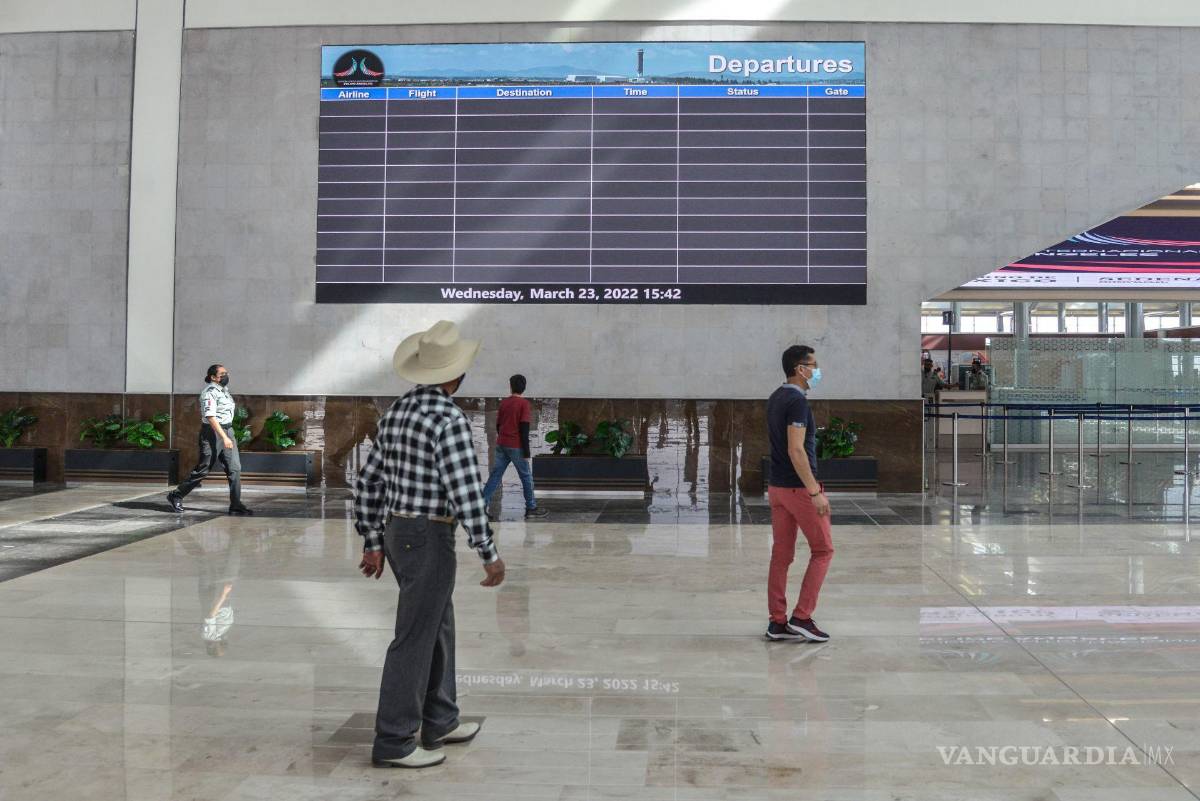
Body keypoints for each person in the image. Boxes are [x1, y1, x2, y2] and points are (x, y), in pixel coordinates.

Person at [354, 320, 506, 770]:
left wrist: (372, 539)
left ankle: (440, 718)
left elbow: (370, 481)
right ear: (455, 376)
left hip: (400, 534)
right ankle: (395, 740)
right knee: (416, 637)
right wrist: (488, 552)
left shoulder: (397, 412)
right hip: (429, 536)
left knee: (437, 625)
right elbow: (463, 490)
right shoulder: (448, 419)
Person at [765, 345, 834, 643]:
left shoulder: (775, 398)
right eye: (813, 365)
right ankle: (802, 617)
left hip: (777, 488)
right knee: (823, 550)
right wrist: (814, 492)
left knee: (781, 555)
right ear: (799, 368)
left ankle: (777, 622)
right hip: (798, 489)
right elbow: (796, 449)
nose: (817, 370)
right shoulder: (797, 403)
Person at [167, 364, 253, 515]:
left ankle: (236, 504)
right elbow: (210, 417)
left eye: (226, 373)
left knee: (235, 468)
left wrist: (228, 434)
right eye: (222, 374)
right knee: (204, 469)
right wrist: (224, 437)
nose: (226, 376)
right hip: (213, 433)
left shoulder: (223, 391)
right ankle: (176, 495)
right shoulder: (209, 392)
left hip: (228, 430)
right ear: (213, 377)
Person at [481, 374, 548, 520]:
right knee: (526, 476)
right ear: (524, 387)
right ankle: (531, 508)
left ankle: (480, 508)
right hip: (516, 445)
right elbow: (524, 429)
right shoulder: (524, 404)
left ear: (510, 387)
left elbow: (498, 425)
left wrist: (503, 438)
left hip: (501, 444)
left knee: (495, 476)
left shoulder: (504, 403)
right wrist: (526, 451)